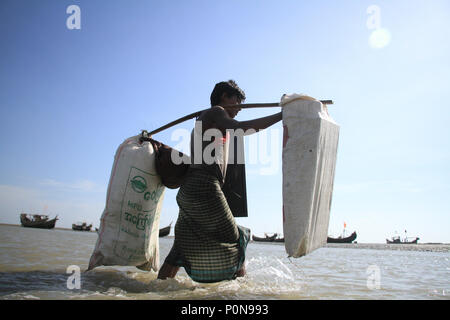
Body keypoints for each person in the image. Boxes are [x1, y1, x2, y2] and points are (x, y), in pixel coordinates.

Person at [157, 80, 282, 283]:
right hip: (204, 185)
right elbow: (241, 129)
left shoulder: (207, 118)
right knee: (237, 237)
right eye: (237, 102)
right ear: (224, 96)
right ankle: (237, 291)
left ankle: (158, 288)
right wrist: (281, 114)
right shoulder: (215, 112)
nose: (239, 108)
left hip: (190, 189)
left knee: (180, 246)